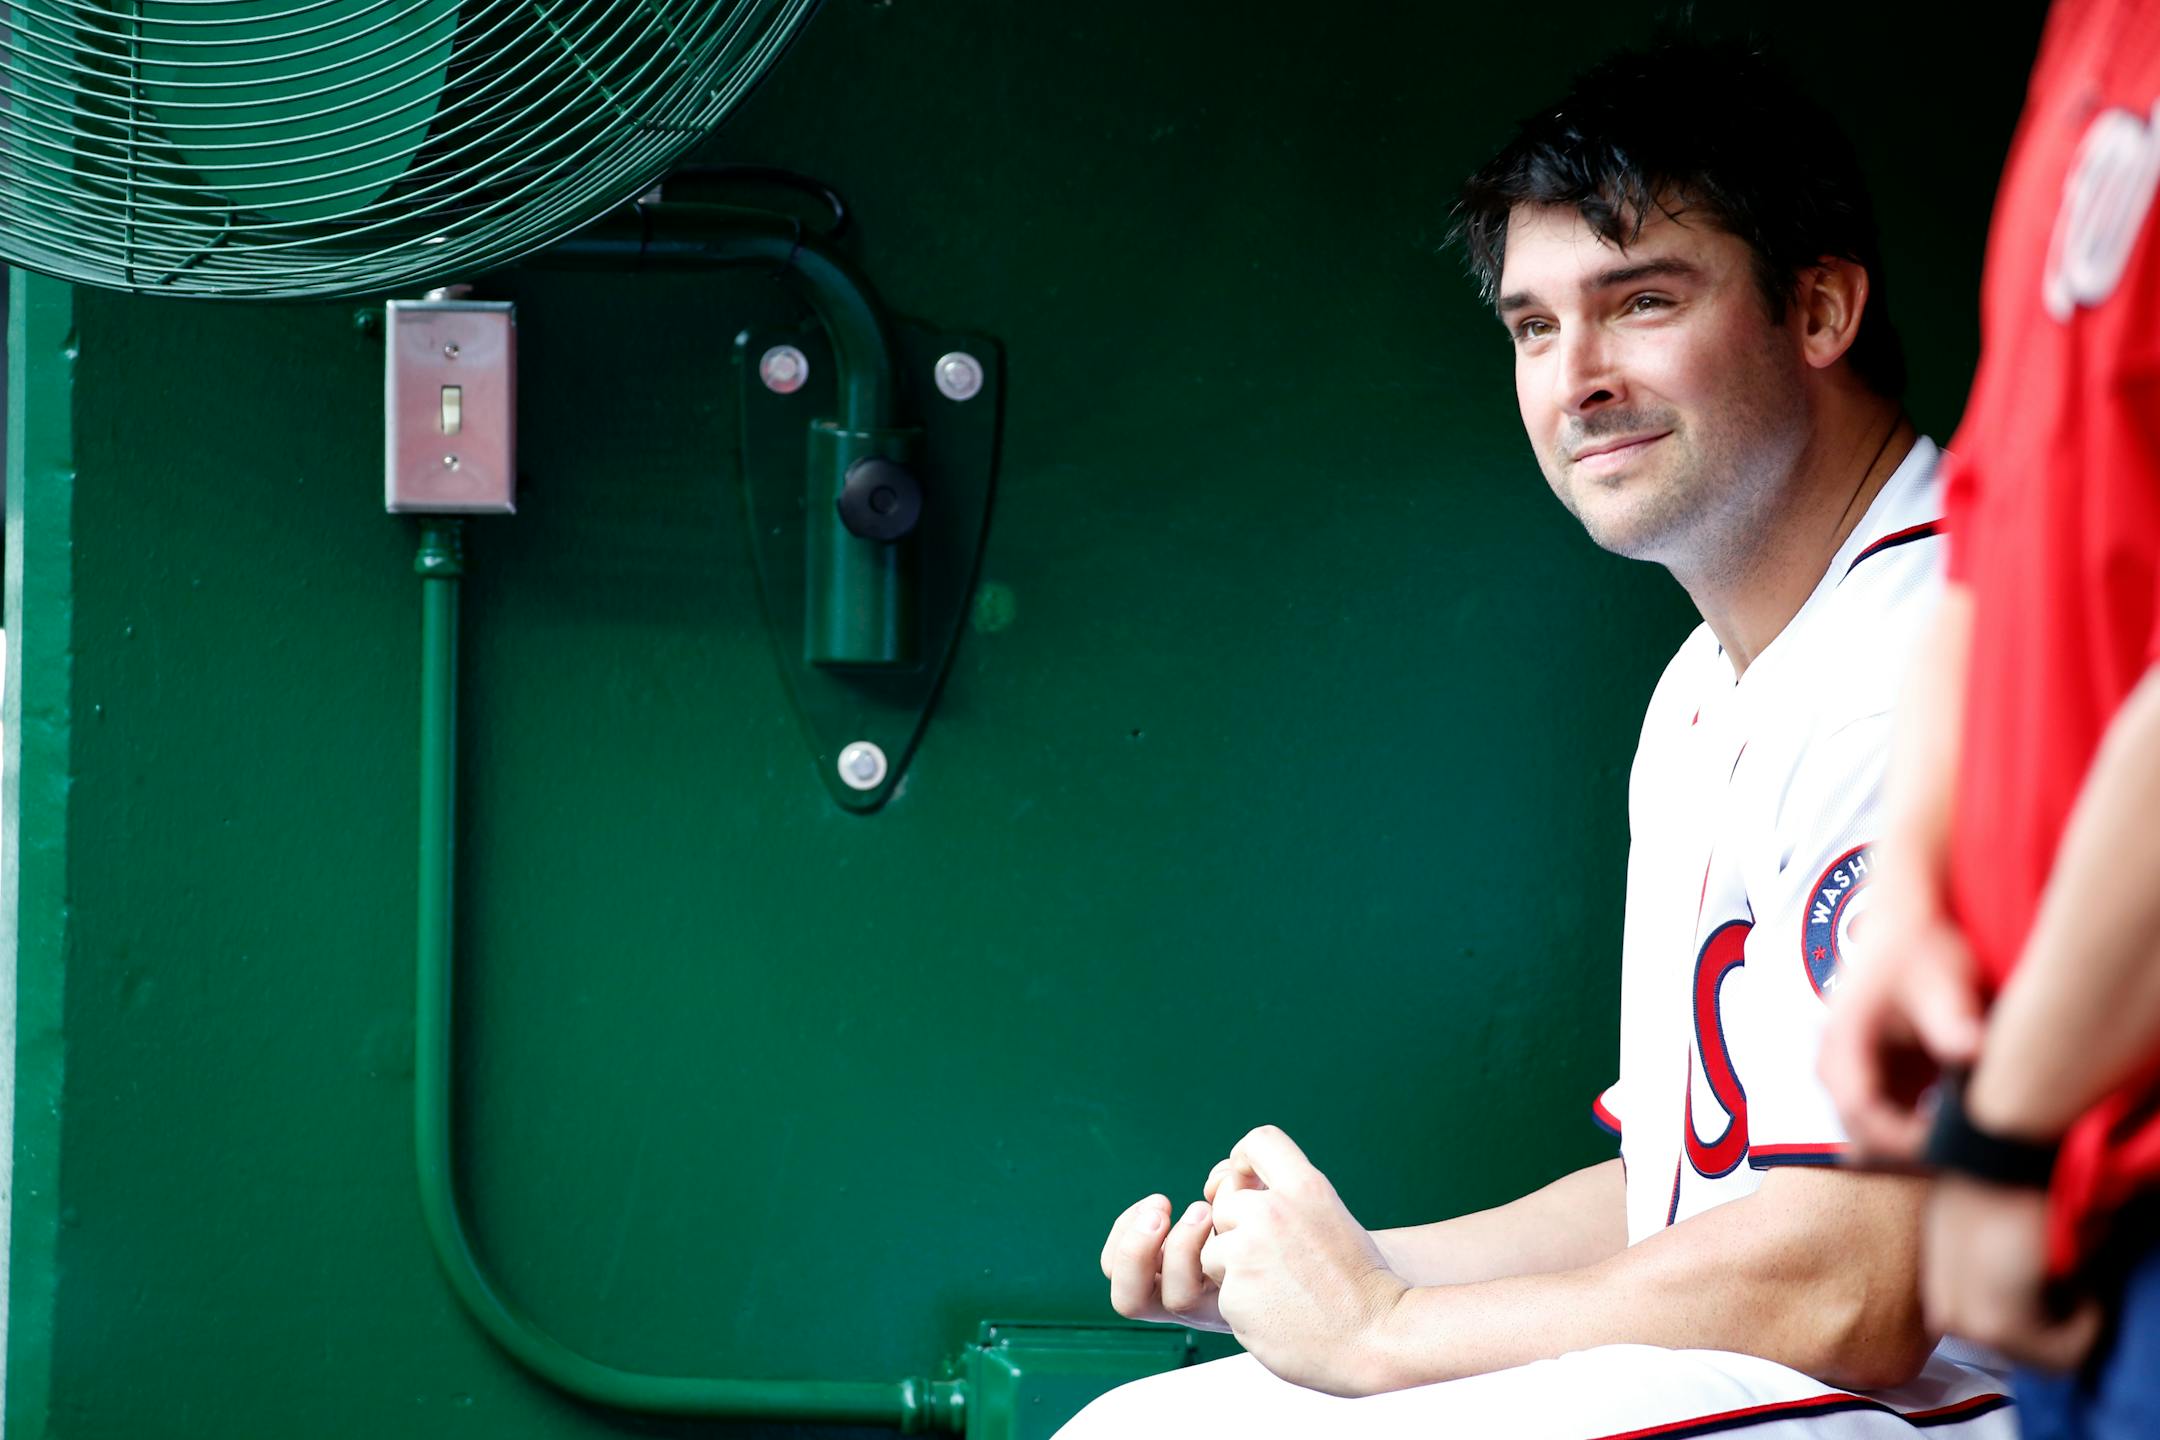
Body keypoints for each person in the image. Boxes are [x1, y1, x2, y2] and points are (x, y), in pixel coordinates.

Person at [1056, 38, 2018, 1439]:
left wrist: (1390, 1335)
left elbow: (1859, 1291)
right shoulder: (1708, 683)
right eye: (1533, 327)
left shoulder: (1924, 659)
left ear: (1818, 311)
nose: (1578, 379)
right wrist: (1331, 1282)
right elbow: (1676, 1197)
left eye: (1639, 303)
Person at [1818, 3, 2160, 1435]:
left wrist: (2003, 1134)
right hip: (2077, 1185)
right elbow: (2001, 519)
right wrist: (1912, 897)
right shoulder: (2097, 34)